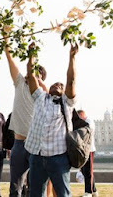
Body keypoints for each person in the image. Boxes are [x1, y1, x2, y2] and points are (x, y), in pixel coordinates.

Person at [25, 44, 79, 197]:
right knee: (35, 194)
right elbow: (30, 75)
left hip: (58, 157)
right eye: (55, 83)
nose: (58, 84)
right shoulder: (40, 97)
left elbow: (71, 81)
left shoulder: (66, 103)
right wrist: (31, 55)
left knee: (62, 194)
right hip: (36, 155)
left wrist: (72, 57)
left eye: (61, 85)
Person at [4, 39, 47, 197]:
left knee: (36, 186)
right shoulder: (20, 83)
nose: (31, 74)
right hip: (19, 144)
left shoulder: (43, 95)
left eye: (36, 74)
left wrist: (41, 83)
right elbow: (10, 59)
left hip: (37, 145)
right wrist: (6, 42)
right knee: (15, 187)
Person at [77, 109, 98, 197]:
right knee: (85, 171)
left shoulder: (89, 121)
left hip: (90, 150)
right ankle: (94, 191)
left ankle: (88, 192)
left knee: (88, 171)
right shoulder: (84, 122)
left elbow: (86, 132)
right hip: (84, 150)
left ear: (81, 115)